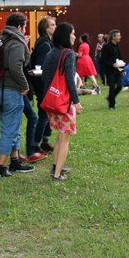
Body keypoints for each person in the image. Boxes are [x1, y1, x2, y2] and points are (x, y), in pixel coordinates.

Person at [0, 13, 34, 178]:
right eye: (24, 27)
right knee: (9, 129)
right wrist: (25, 86)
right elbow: (16, 67)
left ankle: (15, 161)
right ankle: (1, 168)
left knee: (10, 126)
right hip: (10, 90)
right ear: (19, 27)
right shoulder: (16, 43)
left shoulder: (1, 39)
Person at [41, 22, 82, 181]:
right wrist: (76, 102)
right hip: (64, 103)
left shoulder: (50, 53)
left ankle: (55, 166)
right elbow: (71, 82)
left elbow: (45, 77)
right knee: (65, 138)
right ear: (66, 35)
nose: (74, 36)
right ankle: (57, 174)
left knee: (59, 135)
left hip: (51, 101)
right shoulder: (69, 54)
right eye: (72, 33)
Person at [29, 16, 56, 154]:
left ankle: (44, 141)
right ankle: (36, 144)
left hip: (45, 84)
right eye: (52, 25)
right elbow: (41, 67)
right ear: (46, 28)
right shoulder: (45, 44)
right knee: (44, 115)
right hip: (43, 85)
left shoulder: (47, 42)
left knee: (48, 114)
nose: (54, 27)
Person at [101, 29, 123, 110]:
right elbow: (103, 59)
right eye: (118, 35)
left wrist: (122, 67)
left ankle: (110, 98)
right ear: (113, 37)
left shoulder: (117, 46)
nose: (120, 37)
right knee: (112, 87)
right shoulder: (106, 46)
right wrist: (112, 64)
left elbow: (120, 57)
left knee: (120, 86)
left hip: (118, 70)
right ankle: (112, 105)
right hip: (109, 70)